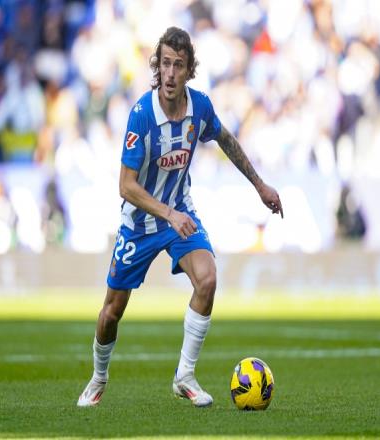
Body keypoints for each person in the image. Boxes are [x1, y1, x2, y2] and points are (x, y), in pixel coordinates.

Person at [77, 27, 283, 408]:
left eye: (179, 66)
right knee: (111, 313)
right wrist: (168, 213)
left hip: (179, 213)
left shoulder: (199, 108)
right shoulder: (142, 115)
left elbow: (226, 140)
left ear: (190, 71)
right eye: (165, 64)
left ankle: (184, 376)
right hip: (140, 223)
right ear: (157, 67)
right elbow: (126, 186)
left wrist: (260, 186)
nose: (170, 74)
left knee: (208, 279)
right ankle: (98, 377)